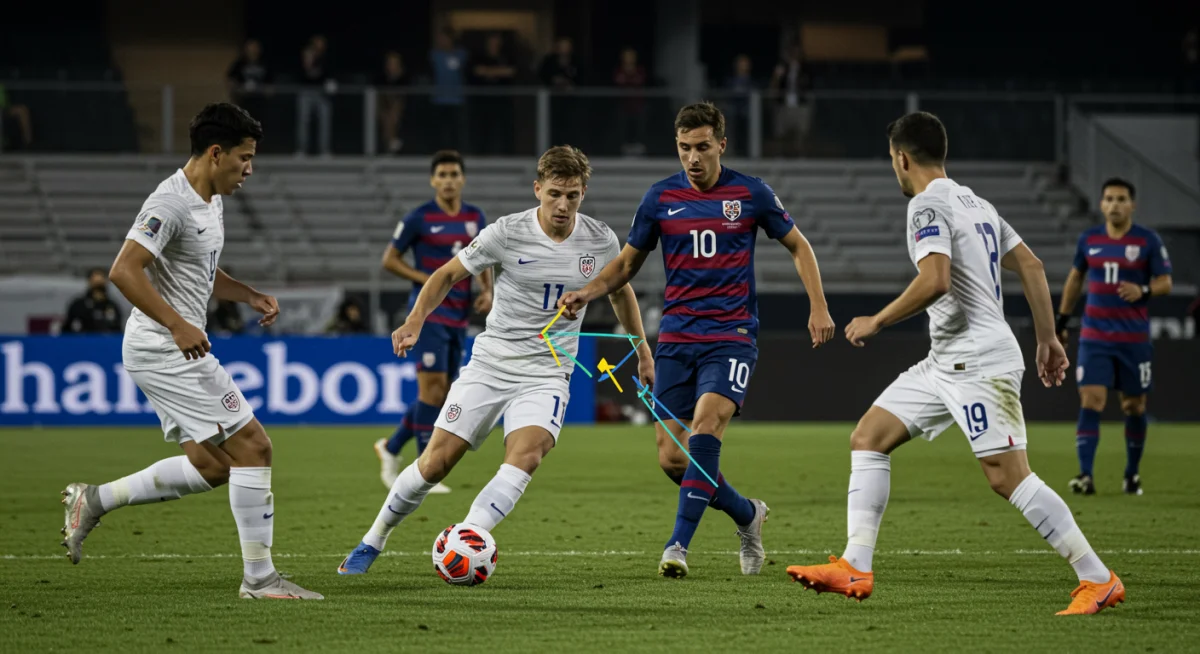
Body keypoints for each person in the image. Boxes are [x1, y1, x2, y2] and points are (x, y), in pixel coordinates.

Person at [784, 111, 1123, 616]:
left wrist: (877, 320)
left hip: (978, 363)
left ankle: (1098, 579)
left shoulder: (925, 206)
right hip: (945, 362)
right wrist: (1048, 338)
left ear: (901, 158)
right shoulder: (976, 203)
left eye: (892, 161)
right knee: (869, 437)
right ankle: (855, 564)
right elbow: (1030, 264)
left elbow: (936, 279)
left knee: (1008, 477)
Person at [337, 145, 655, 575]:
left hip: (548, 372)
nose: (563, 205)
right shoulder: (506, 232)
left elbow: (620, 290)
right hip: (492, 364)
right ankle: (373, 538)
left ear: (584, 193)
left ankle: (466, 538)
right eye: (555, 194)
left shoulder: (600, 239)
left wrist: (641, 349)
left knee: (527, 455)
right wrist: (415, 320)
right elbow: (447, 274)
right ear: (537, 188)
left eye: (573, 196)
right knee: (435, 463)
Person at [559, 102, 836, 579]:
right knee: (672, 458)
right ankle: (748, 514)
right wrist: (586, 292)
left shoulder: (751, 193)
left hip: (731, 336)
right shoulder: (660, 198)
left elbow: (798, 245)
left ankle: (677, 545)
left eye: (703, 147)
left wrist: (819, 305)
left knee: (706, 428)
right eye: (685, 148)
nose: (693, 157)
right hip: (675, 339)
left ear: (721, 145)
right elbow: (626, 264)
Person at [59, 103, 322, 600]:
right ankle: (260, 580)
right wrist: (178, 325)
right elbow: (124, 270)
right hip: (164, 348)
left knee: (214, 466)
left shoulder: (211, 200)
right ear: (216, 152)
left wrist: (247, 294)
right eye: (244, 158)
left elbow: (198, 271)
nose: (250, 169)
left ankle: (93, 500)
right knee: (255, 448)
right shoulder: (170, 203)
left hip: (164, 346)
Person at [376, 150, 492, 494]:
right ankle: (422, 467)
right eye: (442, 174)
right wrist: (426, 277)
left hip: (459, 314)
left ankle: (391, 447)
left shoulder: (475, 216)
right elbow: (389, 260)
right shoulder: (419, 218)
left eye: (454, 174)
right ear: (432, 180)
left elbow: (485, 257)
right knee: (433, 390)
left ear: (462, 179)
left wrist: (488, 290)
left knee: (442, 393)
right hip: (429, 314)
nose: (448, 180)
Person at [1057, 179, 1172, 496]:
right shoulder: (1089, 239)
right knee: (1091, 400)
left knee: (1134, 406)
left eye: (1121, 199)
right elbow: (1075, 279)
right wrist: (1062, 320)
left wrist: (1144, 290)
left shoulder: (1147, 240)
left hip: (1133, 339)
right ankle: (1085, 475)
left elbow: (1165, 282)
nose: (1115, 204)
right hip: (1095, 337)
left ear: (1132, 205)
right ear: (1101, 204)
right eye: (1109, 198)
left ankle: (1131, 474)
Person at [63, 268, 124, 334]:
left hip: (106, 343)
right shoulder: (78, 305)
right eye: (96, 283)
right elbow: (68, 329)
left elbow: (118, 330)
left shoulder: (112, 306)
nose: (98, 289)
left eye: (100, 283)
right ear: (89, 282)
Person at [377, 51, 409, 155]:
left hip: (401, 107)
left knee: (392, 116)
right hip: (385, 107)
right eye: (389, 63)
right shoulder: (382, 78)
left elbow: (403, 97)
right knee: (386, 117)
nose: (391, 66)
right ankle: (392, 143)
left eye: (394, 63)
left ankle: (390, 145)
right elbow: (380, 94)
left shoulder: (405, 78)